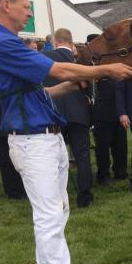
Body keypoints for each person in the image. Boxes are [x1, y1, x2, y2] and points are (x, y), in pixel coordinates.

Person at [0, 0, 132, 264]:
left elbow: (45, 90)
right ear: (5, 4)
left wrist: (74, 85)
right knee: (49, 216)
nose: (29, 13)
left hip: (44, 138)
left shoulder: (9, 42)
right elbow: (57, 71)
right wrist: (106, 70)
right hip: (33, 142)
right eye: (25, 6)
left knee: (55, 212)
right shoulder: (2, 42)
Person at [43, 27, 94, 207]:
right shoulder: (78, 60)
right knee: (82, 155)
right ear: (71, 42)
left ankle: (55, 196)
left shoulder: (45, 58)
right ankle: (85, 195)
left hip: (55, 114)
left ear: (55, 42)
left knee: (53, 157)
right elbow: (87, 87)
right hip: (78, 113)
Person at [87, 34, 128, 185]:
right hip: (99, 114)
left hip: (117, 111)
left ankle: (120, 171)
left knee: (120, 145)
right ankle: (103, 174)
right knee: (102, 147)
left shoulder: (111, 64)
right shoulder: (88, 67)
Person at [0, 100, 25, 198]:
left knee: (17, 158)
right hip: (6, 124)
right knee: (5, 159)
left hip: (13, 123)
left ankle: (16, 190)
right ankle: (14, 191)